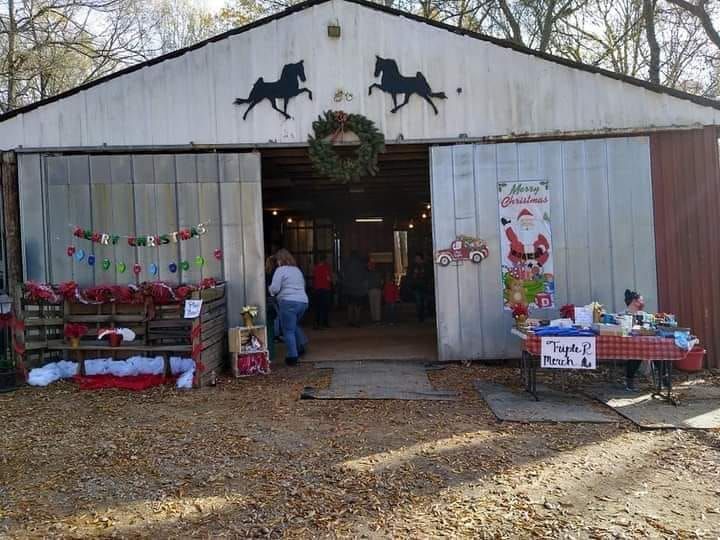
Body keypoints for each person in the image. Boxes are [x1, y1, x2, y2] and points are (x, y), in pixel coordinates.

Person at [268, 249, 309, 366]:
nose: (276, 263)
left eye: (277, 260)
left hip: (288, 302)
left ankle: (292, 357)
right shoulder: (297, 270)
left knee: (288, 330)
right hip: (303, 302)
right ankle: (301, 346)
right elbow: (303, 285)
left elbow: (275, 288)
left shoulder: (280, 270)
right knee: (293, 325)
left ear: (280, 260)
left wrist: (269, 289)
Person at [624, 289, 645, 390]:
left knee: (658, 353)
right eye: (641, 300)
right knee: (636, 353)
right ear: (634, 301)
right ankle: (629, 382)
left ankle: (664, 379)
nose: (642, 303)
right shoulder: (623, 316)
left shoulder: (643, 315)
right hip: (626, 345)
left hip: (641, 344)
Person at [343, 251, 368, 326]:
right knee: (358, 306)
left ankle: (349, 321)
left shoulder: (347, 263)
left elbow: (343, 275)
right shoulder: (361, 264)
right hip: (359, 289)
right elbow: (364, 276)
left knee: (350, 305)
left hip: (349, 288)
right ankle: (357, 320)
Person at [312, 255, 333, 329]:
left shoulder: (315, 267)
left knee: (317, 307)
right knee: (325, 307)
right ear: (324, 260)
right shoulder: (327, 267)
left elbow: (314, 277)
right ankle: (325, 323)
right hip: (326, 289)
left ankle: (317, 323)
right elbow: (329, 279)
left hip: (317, 289)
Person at [409, 253, 430, 322]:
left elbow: (428, 276)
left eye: (418, 258)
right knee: (419, 302)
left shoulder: (425, 266)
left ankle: (424, 315)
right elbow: (410, 276)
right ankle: (420, 317)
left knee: (424, 302)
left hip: (424, 286)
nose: (416, 260)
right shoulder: (413, 267)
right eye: (416, 259)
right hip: (416, 287)